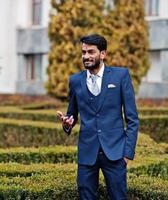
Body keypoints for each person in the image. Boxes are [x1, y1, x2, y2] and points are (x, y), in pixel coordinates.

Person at [57, 34, 139, 200]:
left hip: (115, 153)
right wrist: (67, 123)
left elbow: (132, 119)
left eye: (91, 52)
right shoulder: (75, 81)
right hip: (87, 154)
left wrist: (127, 153)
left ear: (103, 54)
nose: (86, 56)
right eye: (83, 52)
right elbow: (72, 115)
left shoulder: (120, 76)